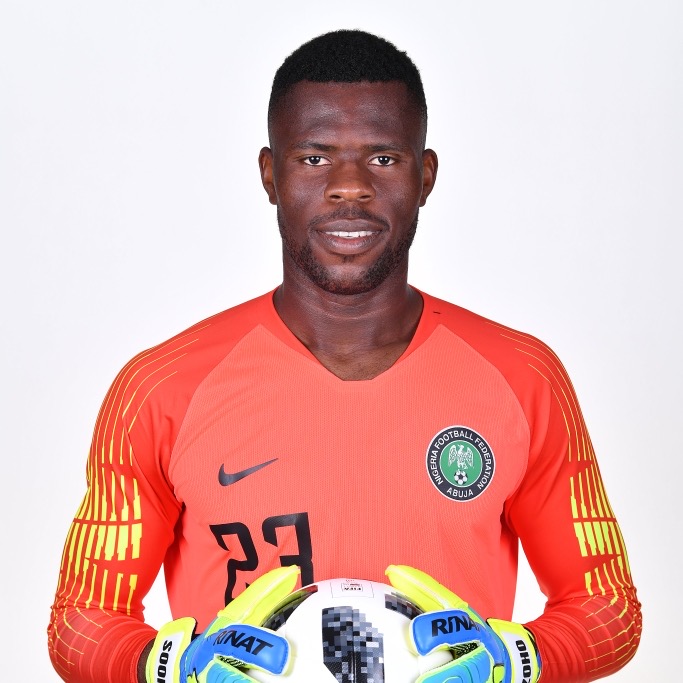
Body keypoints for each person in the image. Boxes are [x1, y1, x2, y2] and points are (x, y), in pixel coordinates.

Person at [48, 29, 641, 683]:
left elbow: (607, 606)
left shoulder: (521, 377)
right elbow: (81, 619)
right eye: (314, 158)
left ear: (425, 175)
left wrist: (514, 659)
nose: (349, 187)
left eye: (383, 158)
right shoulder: (161, 388)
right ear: (270, 175)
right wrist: (171, 665)